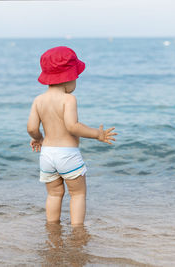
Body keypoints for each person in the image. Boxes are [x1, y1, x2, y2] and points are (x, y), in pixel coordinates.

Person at [27, 46, 117, 227]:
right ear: (68, 77)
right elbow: (72, 126)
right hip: (67, 154)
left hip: (47, 155)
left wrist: (38, 138)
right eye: (76, 76)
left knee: (53, 194)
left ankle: (52, 227)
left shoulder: (38, 100)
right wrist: (97, 134)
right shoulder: (69, 99)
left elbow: (31, 128)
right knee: (77, 194)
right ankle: (77, 230)